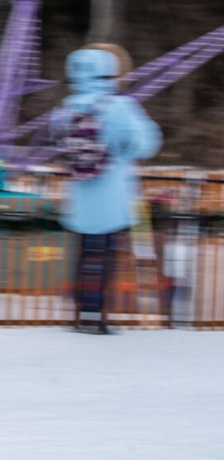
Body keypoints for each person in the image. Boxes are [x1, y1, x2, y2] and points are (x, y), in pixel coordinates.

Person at [50, 43, 162, 334]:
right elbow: (147, 143)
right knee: (105, 258)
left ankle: (82, 314)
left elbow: (57, 143)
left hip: (80, 197)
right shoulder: (119, 107)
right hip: (112, 197)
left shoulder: (65, 109)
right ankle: (95, 317)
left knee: (85, 257)